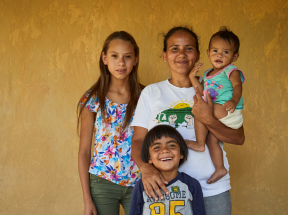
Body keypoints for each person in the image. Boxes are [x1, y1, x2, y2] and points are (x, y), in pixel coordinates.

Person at [130, 26, 245, 215]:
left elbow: (238, 138)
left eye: (189, 48)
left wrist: (208, 119)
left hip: (211, 188)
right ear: (165, 55)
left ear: (199, 54)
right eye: (174, 48)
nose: (182, 54)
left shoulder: (213, 89)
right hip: (167, 190)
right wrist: (145, 169)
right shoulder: (151, 92)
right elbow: (138, 140)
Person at [77, 31, 143, 215]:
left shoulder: (145, 97)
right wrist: (87, 199)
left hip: (139, 183)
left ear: (136, 59)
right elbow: (83, 152)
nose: (121, 62)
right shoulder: (93, 99)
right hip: (102, 184)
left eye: (127, 57)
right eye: (114, 56)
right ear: (104, 58)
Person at [186, 26, 245, 183]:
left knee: (201, 107)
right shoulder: (207, 74)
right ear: (208, 52)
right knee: (212, 140)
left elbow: (237, 86)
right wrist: (192, 77)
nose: (219, 55)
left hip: (227, 109)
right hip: (218, 110)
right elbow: (201, 89)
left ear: (235, 56)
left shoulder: (231, 70)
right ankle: (220, 168)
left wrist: (233, 100)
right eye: (215, 51)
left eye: (226, 52)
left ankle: (199, 143)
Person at [129, 125, 206, 215]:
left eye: (171, 145)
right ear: (149, 157)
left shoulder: (192, 184)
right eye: (157, 147)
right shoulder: (142, 185)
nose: (165, 150)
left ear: (181, 153)